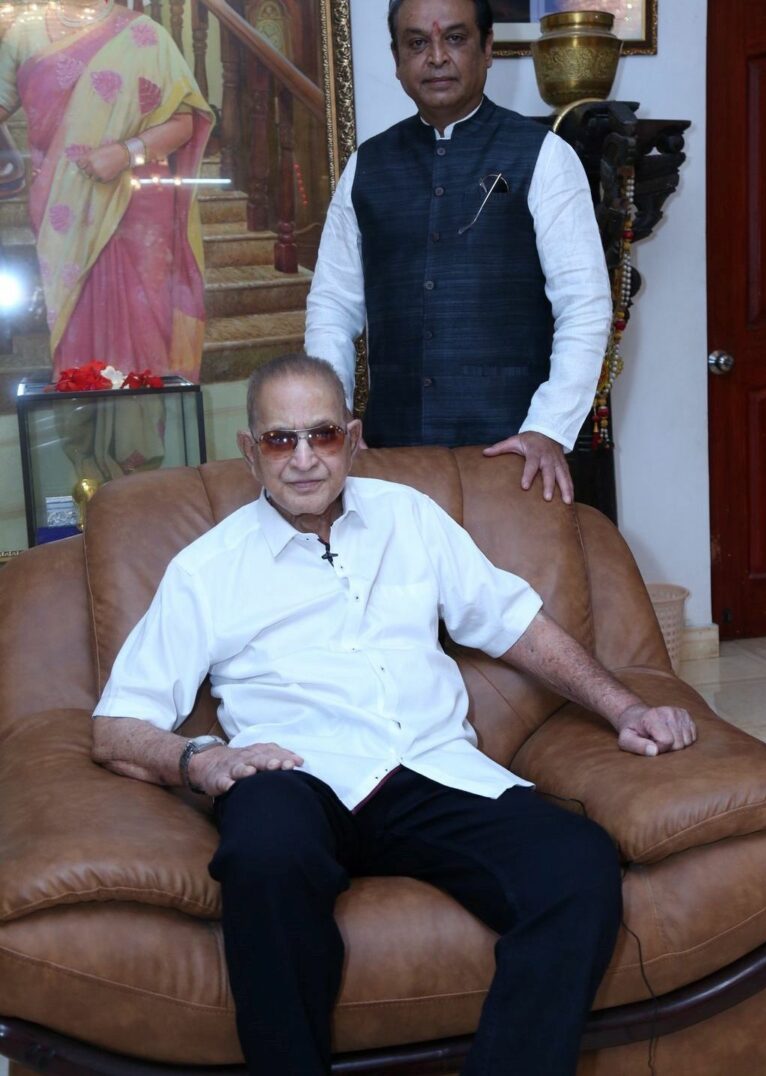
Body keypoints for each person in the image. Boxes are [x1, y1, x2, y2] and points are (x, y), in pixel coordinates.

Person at [91, 354, 696, 1076]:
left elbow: (516, 625)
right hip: (295, 776)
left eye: (322, 435)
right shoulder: (206, 569)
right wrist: (200, 759)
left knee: (578, 865)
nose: (305, 460)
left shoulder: (409, 516)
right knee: (263, 849)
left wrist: (623, 706)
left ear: (352, 439)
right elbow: (115, 728)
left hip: (431, 769)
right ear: (250, 451)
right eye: (281, 440)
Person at [304, 0, 612, 505]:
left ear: (487, 48)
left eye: (455, 38)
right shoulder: (367, 166)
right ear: (397, 59)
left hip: (513, 460)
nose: (436, 57)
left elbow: (585, 304)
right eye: (417, 43)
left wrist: (549, 428)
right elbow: (332, 306)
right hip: (391, 459)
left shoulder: (544, 156)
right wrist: (329, 420)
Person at [0, 0, 212, 379]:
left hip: (137, 209)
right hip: (63, 207)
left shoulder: (145, 35)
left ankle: (143, 416)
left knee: (143, 326)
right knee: (75, 323)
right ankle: (82, 409)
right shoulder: (24, 31)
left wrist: (125, 153)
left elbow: (183, 123)